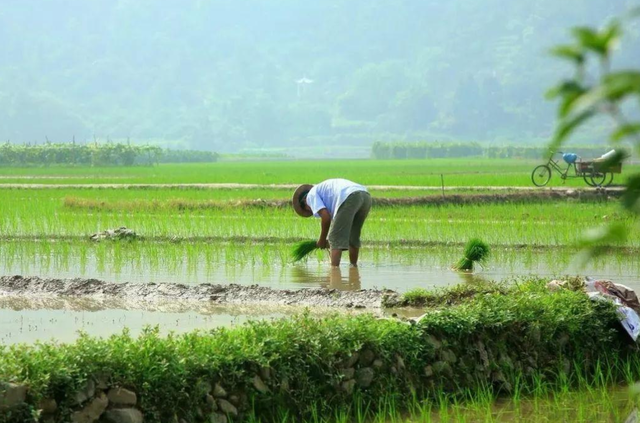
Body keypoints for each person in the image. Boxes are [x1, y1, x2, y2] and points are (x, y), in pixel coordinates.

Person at [292, 178, 372, 267]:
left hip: (349, 197)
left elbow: (326, 217)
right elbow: (336, 223)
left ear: (304, 203)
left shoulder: (310, 196)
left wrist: (322, 240)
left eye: (308, 210)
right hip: (365, 196)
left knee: (334, 239)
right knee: (353, 237)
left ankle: (334, 272)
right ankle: (353, 267)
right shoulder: (324, 193)